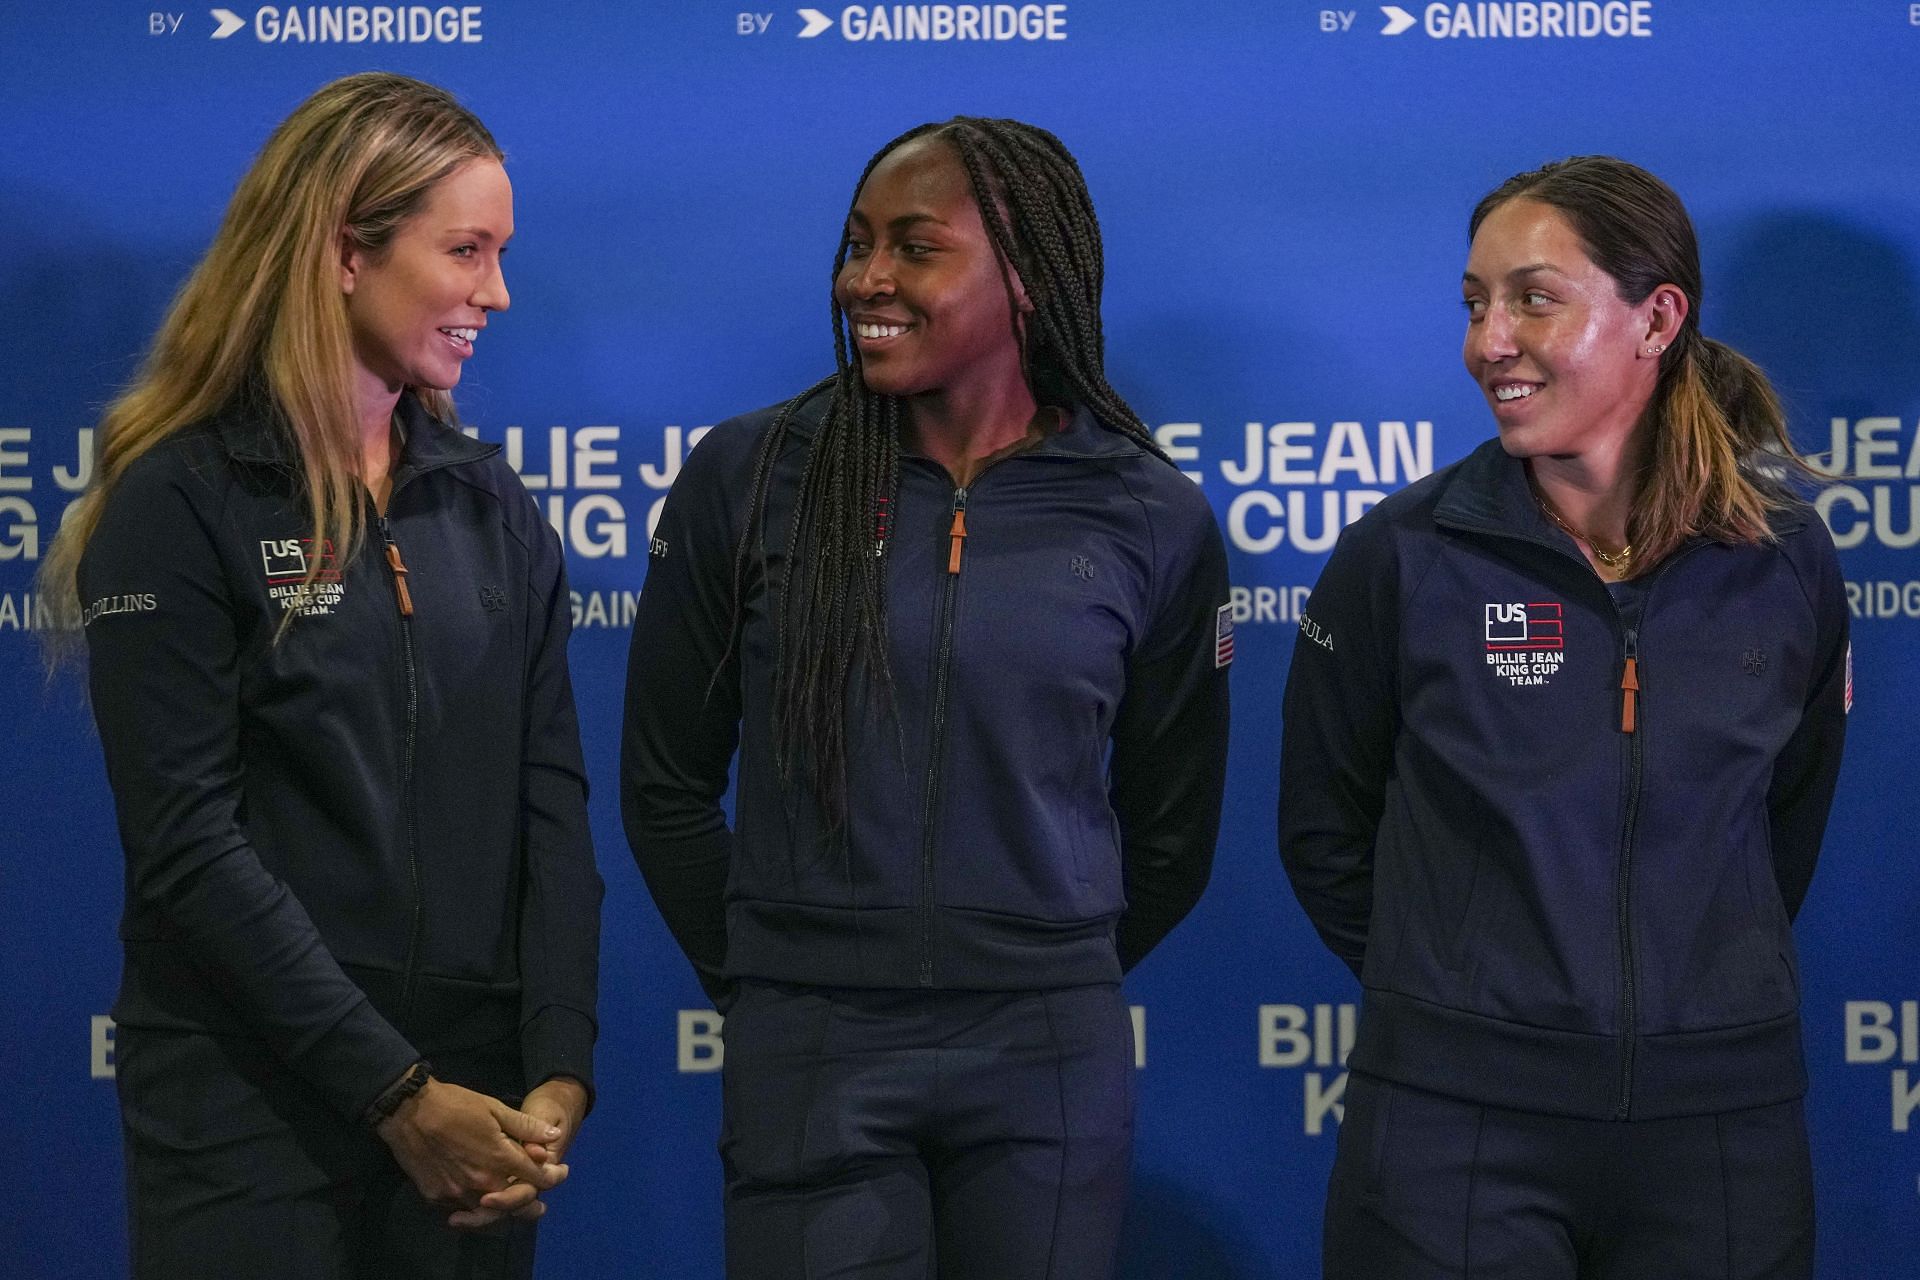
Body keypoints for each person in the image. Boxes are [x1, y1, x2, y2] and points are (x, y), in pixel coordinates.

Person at [623, 116, 1231, 1278]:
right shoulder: (749, 478)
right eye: (858, 246)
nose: (868, 280)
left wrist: (1033, 958)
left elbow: (1172, 829)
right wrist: (779, 976)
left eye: (915, 247)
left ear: (1027, 279)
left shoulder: (1149, 512)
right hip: (810, 1041)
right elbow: (664, 787)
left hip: (1045, 1051)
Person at [40, 72, 602, 1279]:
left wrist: (556, 1068)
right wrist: (394, 1092)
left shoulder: (494, 507)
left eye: (500, 253)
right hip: (251, 1101)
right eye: (465, 250)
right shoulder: (181, 501)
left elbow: (550, 807)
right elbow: (186, 838)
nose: (495, 292)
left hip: (475, 1111)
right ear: (347, 252)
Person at [1279, 155, 1849, 1280]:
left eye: (1533, 298)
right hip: (1451, 1132)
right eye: (1475, 303)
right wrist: (1468, 999)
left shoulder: (1786, 561)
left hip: (1720, 1134)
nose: (1488, 341)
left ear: (1657, 318)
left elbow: (1783, 825)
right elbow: (1325, 833)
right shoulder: (1401, 556)